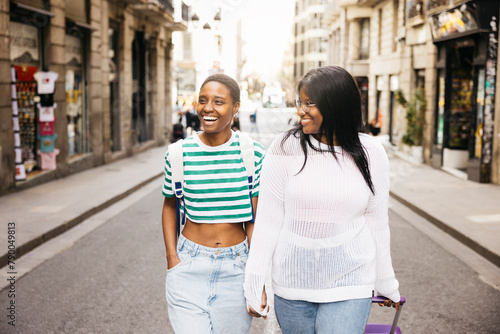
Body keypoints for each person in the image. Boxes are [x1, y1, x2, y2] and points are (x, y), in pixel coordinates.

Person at [243, 66, 400, 333]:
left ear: (336, 105)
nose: (300, 111)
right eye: (299, 103)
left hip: (351, 280)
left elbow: (376, 221)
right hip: (292, 283)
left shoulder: (371, 152)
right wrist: (254, 283)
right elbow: (268, 220)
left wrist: (386, 282)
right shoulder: (284, 148)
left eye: (309, 103)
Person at [161, 74, 265, 333]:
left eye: (219, 102)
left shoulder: (253, 154)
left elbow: (255, 221)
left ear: (236, 108)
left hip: (237, 267)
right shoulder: (178, 154)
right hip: (189, 265)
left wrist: (257, 278)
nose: (208, 108)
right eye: (203, 100)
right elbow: (170, 206)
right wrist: (172, 258)